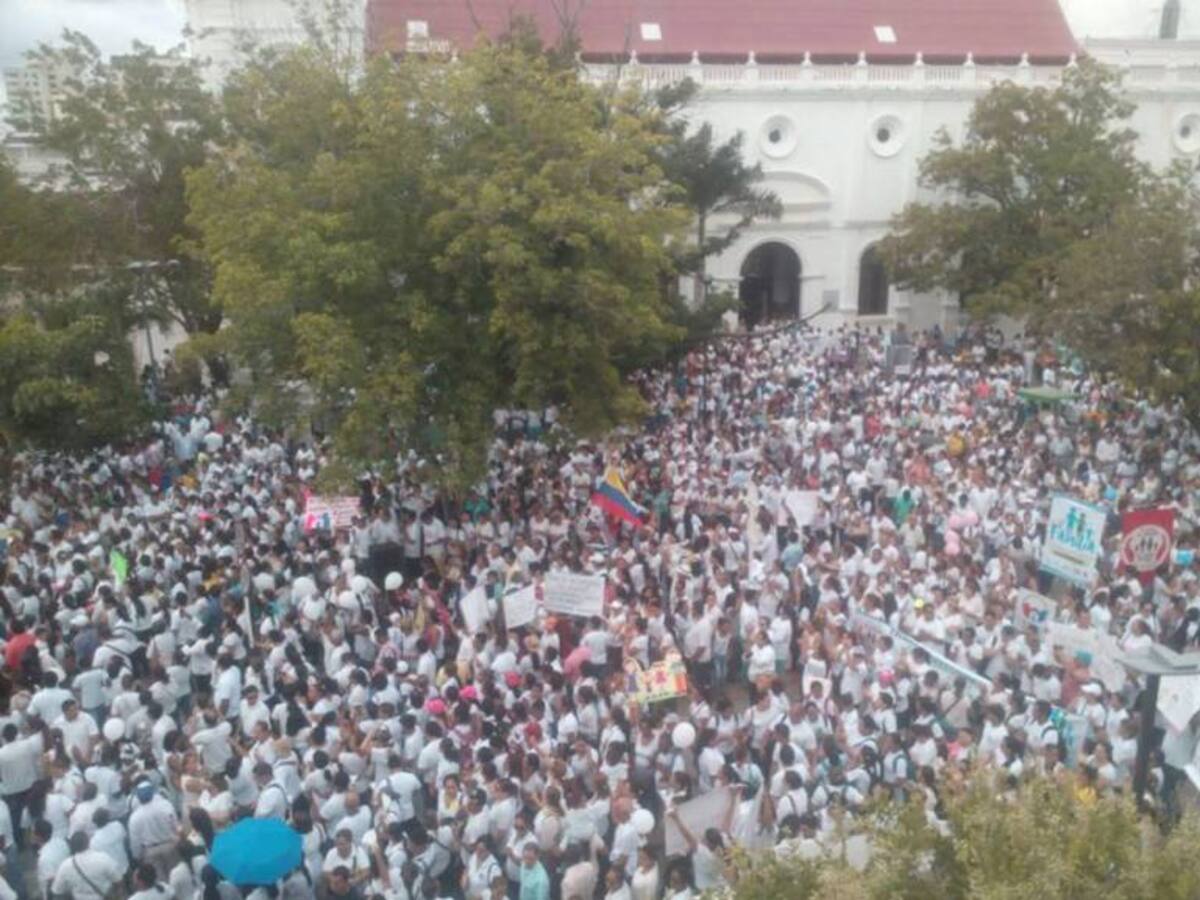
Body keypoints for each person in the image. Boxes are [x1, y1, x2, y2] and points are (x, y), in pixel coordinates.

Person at [51, 831, 122, 900]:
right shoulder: (103, 858)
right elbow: (118, 881)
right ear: (88, 842)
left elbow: (57, 891)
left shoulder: (65, 865)